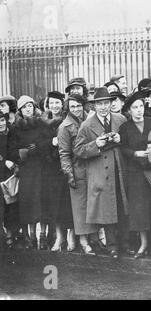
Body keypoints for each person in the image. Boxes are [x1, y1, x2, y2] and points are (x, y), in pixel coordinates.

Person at [74, 87, 129, 259]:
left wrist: (122, 139)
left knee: (121, 206)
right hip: (100, 171)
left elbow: (130, 141)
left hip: (119, 169)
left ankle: (125, 245)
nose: (104, 107)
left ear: (111, 104)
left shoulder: (121, 119)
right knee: (107, 209)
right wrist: (96, 144)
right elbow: (78, 150)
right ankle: (112, 246)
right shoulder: (87, 125)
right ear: (94, 106)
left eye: (106, 103)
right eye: (100, 104)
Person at [119, 91, 151, 260]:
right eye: (135, 107)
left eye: (141, 106)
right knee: (139, 210)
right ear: (129, 110)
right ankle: (144, 244)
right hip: (135, 174)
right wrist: (135, 154)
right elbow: (122, 148)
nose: (138, 110)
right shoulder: (125, 127)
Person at [58, 94, 99, 255]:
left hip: (93, 167)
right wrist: (69, 173)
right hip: (77, 169)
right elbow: (64, 153)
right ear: (68, 107)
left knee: (93, 203)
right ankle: (82, 239)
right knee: (80, 207)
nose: (76, 109)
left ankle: (94, 236)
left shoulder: (90, 121)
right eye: (73, 106)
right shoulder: (65, 127)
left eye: (79, 105)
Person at [9, 96, 48, 250]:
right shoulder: (15, 128)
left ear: (34, 108)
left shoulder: (40, 123)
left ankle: (43, 236)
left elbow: (49, 141)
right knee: (29, 204)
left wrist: (38, 147)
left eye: (30, 106)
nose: (28, 109)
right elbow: (11, 151)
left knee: (42, 203)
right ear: (19, 110)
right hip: (26, 170)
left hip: (41, 168)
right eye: (24, 107)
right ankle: (31, 236)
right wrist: (23, 152)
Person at [41, 91, 75, 252]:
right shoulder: (42, 122)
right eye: (52, 103)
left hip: (68, 166)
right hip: (51, 168)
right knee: (56, 205)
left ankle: (71, 236)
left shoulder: (68, 120)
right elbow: (38, 144)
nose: (55, 106)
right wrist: (51, 142)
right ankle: (59, 237)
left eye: (58, 103)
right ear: (48, 105)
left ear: (63, 104)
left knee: (70, 204)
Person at [0, 111, 19, 250]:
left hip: (11, 174)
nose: (0, 124)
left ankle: (11, 234)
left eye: (2, 120)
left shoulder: (12, 133)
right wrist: (3, 161)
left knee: (11, 205)